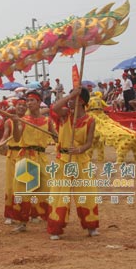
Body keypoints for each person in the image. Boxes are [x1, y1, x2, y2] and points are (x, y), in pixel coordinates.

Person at [47, 87, 99, 240]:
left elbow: (89, 143)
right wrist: (71, 95)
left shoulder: (91, 120)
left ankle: (91, 226)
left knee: (87, 193)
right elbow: (55, 107)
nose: (69, 101)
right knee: (59, 193)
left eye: (74, 98)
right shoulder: (65, 115)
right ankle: (56, 228)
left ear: (81, 101)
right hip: (63, 159)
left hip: (81, 160)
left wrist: (79, 149)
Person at [11, 91, 57, 232]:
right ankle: (22, 223)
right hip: (26, 156)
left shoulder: (47, 121)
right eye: (28, 100)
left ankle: (52, 220)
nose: (29, 103)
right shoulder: (23, 120)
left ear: (38, 102)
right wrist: (15, 123)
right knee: (24, 191)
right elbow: (17, 138)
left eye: (32, 100)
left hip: (41, 157)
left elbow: (56, 137)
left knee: (47, 190)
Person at [0, 98, 27, 225]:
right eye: (19, 105)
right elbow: (4, 137)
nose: (21, 107)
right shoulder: (9, 122)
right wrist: (1, 144)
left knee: (26, 185)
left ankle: (28, 213)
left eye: (24, 105)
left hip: (26, 154)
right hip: (12, 155)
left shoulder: (30, 121)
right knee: (11, 186)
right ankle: (10, 215)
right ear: (15, 107)